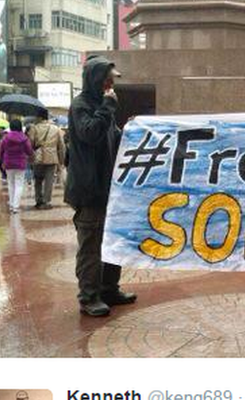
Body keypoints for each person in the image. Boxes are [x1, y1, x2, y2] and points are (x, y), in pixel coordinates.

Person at [65, 54, 136, 317]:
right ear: (96, 80)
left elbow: (114, 138)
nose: (110, 86)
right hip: (89, 190)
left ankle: (109, 289)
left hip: (110, 190)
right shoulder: (81, 105)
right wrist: (107, 107)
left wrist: (130, 130)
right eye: (107, 81)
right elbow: (90, 133)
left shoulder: (104, 108)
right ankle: (89, 296)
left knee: (113, 241)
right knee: (91, 246)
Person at [27, 110, 65, 209]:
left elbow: (30, 144)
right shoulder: (56, 129)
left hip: (38, 157)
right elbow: (61, 146)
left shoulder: (34, 128)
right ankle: (46, 201)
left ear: (39, 117)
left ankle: (38, 200)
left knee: (38, 180)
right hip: (52, 157)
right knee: (49, 180)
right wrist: (61, 160)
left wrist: (30, 158)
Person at [0, 119, 34, 214]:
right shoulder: (24, 138)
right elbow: (29, 151)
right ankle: (15, 207)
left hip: (8, 163)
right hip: (20, 164)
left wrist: (2, 161)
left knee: (11, 184)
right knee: (19, 185)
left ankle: (11, 204)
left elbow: (1, 151)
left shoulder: (5, 138)